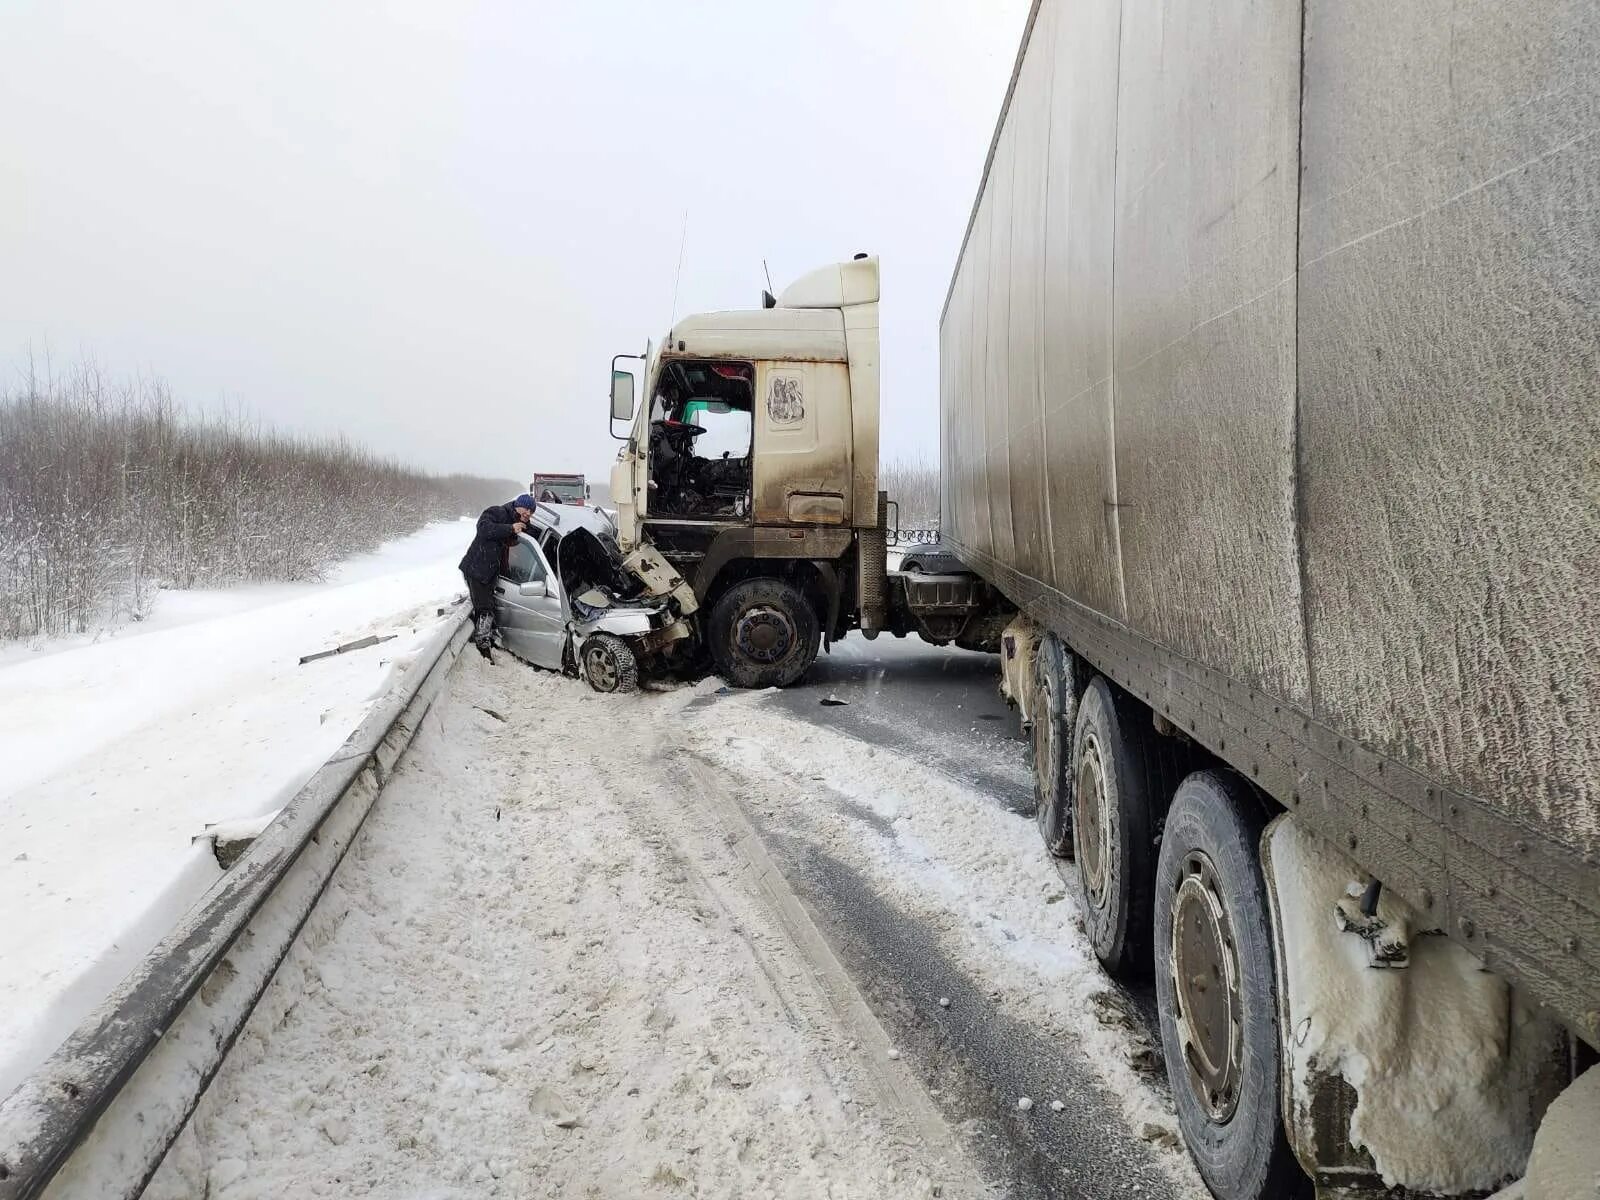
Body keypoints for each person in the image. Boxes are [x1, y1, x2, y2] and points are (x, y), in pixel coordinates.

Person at [459, 494, 536, 660]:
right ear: (518, 505)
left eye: (532, 511)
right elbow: (483, 529)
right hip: (477, 569)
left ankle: (487, 640)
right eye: (527, 509)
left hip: (491, 573)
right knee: (484, 609)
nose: (529, 513)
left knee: (488, 607)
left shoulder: (521, 523)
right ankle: (483, 650)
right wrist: (510, 529)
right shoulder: (496, 512)